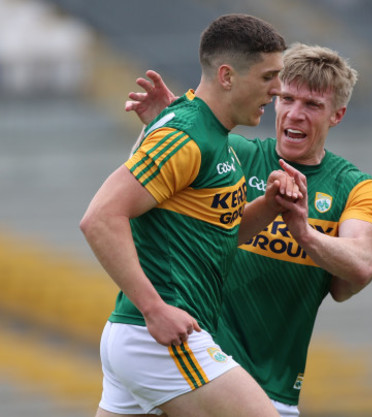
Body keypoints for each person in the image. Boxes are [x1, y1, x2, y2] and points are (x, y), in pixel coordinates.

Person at [124, 43, 372, 417]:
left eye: (312, 105)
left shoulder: (354, 187)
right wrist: (161, 125)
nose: (295, 114)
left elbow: (360, 262)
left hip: (271, 390)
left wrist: (305, 232)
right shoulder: (232, 154)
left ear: (337, 115)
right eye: (287, 99)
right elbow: (139, 187)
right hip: (191, 367)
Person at [80, 14, 300, 417]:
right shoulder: (188, 134)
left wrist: (271, 206)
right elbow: (99, 218)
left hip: (141, 335)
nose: (278, 90)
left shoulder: (211, 135)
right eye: (269, 77)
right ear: (228, 76)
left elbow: (221, 233)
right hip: (159, 336)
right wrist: (154, 309)